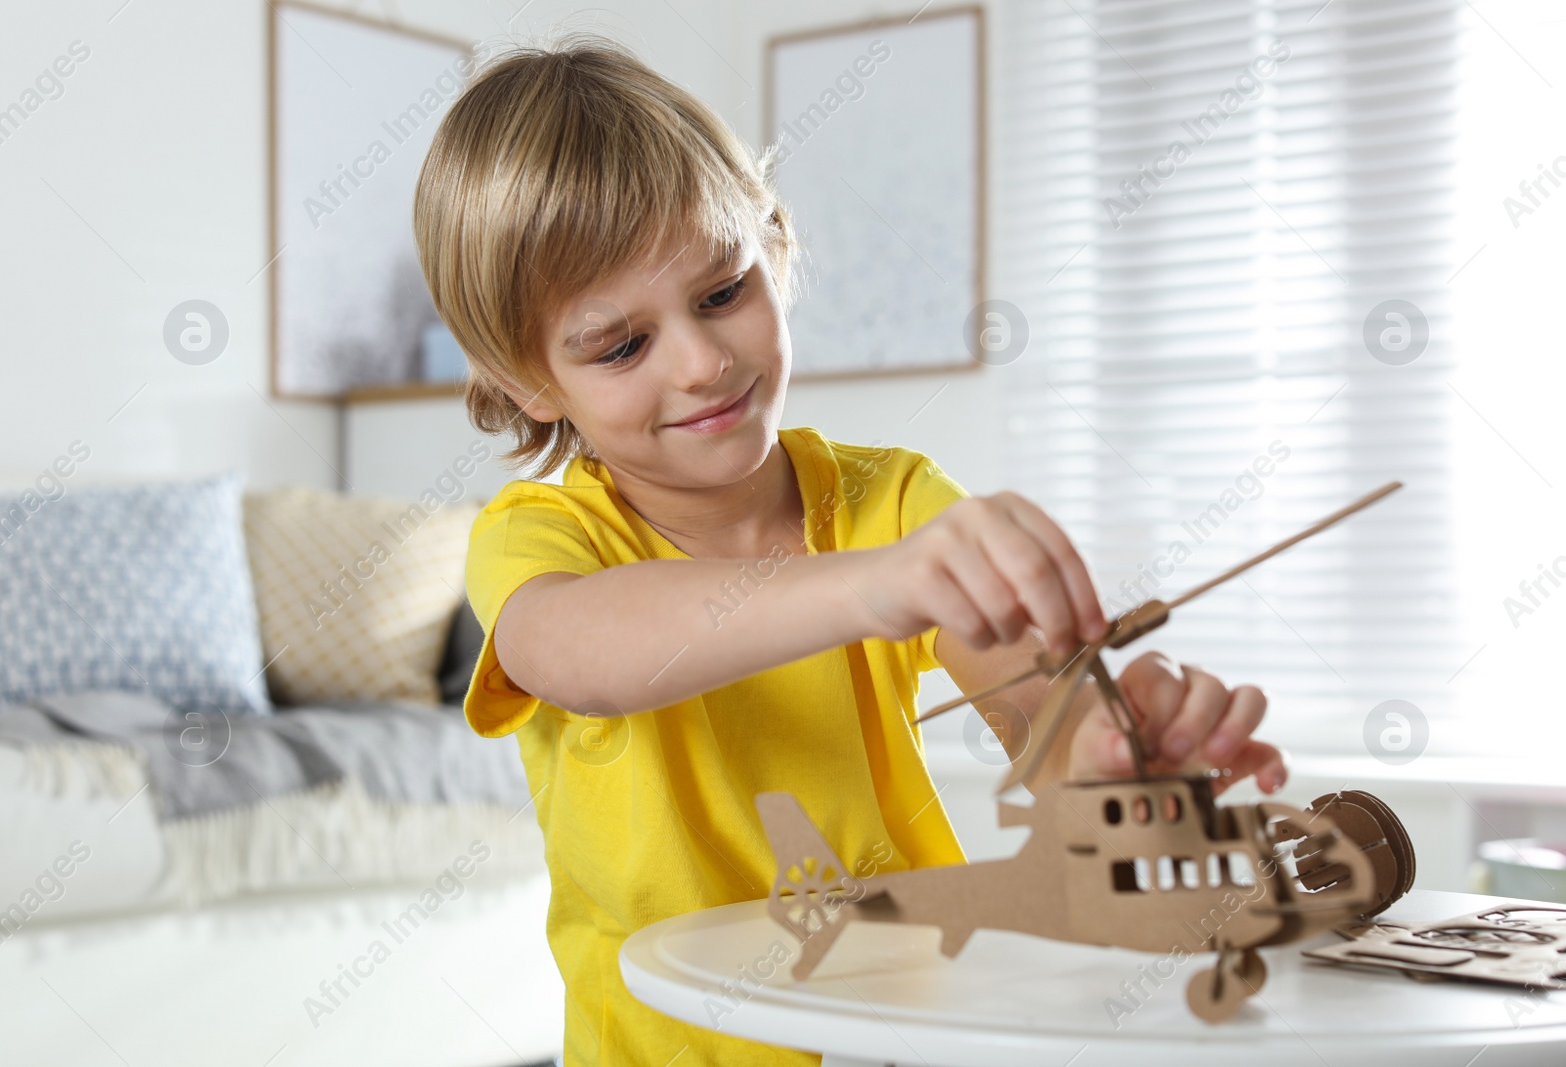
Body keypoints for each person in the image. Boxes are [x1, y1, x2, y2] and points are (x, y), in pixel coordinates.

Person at [413, 32, 1286, 1067]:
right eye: (621, 345)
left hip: (903, 1032)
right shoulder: (542, 533)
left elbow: (1042, 733)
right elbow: (580, 655)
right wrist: (875, 585)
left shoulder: (896, 499)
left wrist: (1113, 767)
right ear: (528, 383)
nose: (701, 361)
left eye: (722, 289)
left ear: (772, 249)